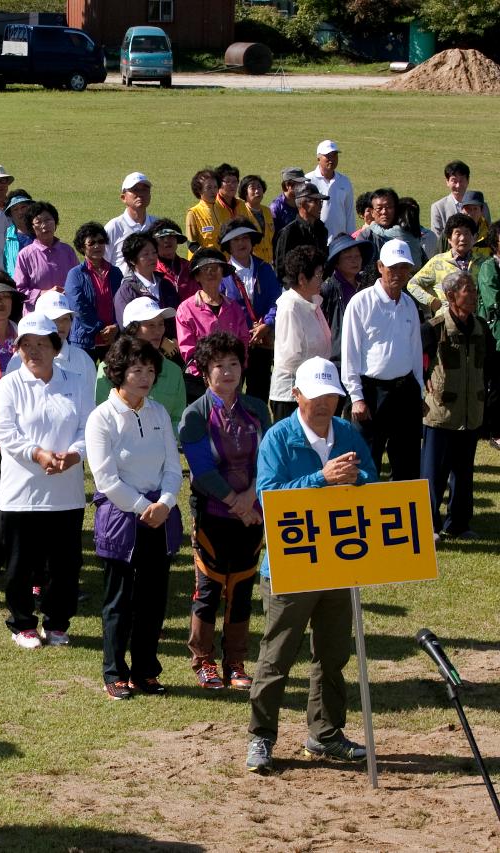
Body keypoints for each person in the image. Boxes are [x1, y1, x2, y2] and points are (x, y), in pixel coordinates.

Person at [246, 357, 376, 773]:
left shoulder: (349, 433)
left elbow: (372, 483)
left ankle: (326, 734)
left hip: (339, 562)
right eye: (315, 397)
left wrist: (358, 481)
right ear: (296, 395)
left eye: (330, 397)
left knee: (333, 655)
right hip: (291, 565)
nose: (323, 405)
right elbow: (269, 498)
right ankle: (261, 738)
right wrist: (320, 478)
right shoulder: (277, 439)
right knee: (277, 656)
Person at [86, 334, 183, 700]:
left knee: (154, 600)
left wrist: (167, 503)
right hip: (123, 518)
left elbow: (173, 467)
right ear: (118, 373)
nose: (144, 377)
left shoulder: (158, 413)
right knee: (119, 601)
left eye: (150, 370)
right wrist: (145, 507)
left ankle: (145, 671)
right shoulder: (102, 418)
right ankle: (114, 673)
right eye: (136, 370)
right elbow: (106, 478)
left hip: (161, 515)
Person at [0, 312, 92, 649]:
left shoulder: (76, 382)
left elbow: (88, 429)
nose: (34, 351)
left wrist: (74, 455)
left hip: (66, 491)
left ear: (55, 346)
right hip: (22, 492)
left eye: (42, 344)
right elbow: (5, 433)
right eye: (27, 345)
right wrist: (38, 454)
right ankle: (22, 623)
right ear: (18, 349)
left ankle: (58, 622)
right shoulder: (9, 385)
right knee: (20, 563)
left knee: (64, 564)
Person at [178, 331, 270, 690]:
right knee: (208, 591)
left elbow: (268, 458)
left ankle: (236, 662)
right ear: (205, 372)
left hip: (253, 514)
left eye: (234, 364)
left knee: (243, 589)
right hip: (213, 516)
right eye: (219, 365)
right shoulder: (195, 415)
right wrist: (238, 502)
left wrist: (252, 500)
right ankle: (203, 660)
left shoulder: (257, 409)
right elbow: (202, 471)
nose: (228, 372)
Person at [340, 240, 425, 481]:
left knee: (408, 462)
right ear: (379, 266)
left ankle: (404, 516)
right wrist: (356, 397)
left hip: (404, 390)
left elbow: (415, 351)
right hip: (371, 392)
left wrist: (418, 392)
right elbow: (350, 353)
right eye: (392, 267)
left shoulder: (409, 304)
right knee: (367, 461)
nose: (398, 273)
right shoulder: (360, 302)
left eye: (403, 268)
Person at [422, 271, 493, 539]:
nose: (474, 295)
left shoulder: (481, 327)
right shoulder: (434, 328)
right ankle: (430, 524)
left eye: (474, 289)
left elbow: (489, 365)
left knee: (464, 473)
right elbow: (419, 364)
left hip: (470, 412)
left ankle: (459, 523)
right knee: (434, 473)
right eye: (468, 290)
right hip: (440, 412)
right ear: (451, 296)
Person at [96, 296, 185, 432]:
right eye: (150, 325)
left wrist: (160, 439)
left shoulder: (174, 371)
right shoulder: (108, 368)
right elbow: (103, 419)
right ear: (133, 329)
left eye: (161, 324)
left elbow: (178, 419)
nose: (158, 331)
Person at [175, 248, 248, 402]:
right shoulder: (185, 309)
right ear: (197, 276)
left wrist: (237, 367)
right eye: (205, 269)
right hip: (200, 381)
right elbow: (187, 348)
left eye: (216, 268)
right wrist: (206, 373)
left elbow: (243, 341)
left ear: (222, 273)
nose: (211, 272)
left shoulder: (233, 307)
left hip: (232, 377)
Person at [220, 218, 281, 403]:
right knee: (230, 394)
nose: (242, 243)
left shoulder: (265, 269)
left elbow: (276, 301)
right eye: (235, 240)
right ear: (228, 245)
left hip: (261, 343)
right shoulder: (221, 273)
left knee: (259, 396)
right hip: (233, 346)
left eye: (245, 238)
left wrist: (267, 324)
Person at [270, 246, 331, 421]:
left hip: (313, 388)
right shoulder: (290, 306)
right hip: (292, 395)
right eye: (318, 274)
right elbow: (291, 357)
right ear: (302, 279)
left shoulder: (312, 301)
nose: (322, 279)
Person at [407, 213, 489, 314]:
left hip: (476, 322)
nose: (463, 238)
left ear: (474, 237)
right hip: (445, 322)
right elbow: (412, 284)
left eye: (467, 233)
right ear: (449, 239)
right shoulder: (438, 262)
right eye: (458, 234)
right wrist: (431, 301)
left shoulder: (484, 262)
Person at [66, 221, 121, 357]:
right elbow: (78, 306)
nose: (97, 246)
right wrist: (100, 329)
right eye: (91, 243)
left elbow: (122, 303)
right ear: (82, 247)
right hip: (84, 342)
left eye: (101, 241)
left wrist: (116, 327)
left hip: (112, 340)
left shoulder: (116, 272)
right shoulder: (75, 274)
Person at [319, 234, 373, 373]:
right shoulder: (327, 288)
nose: (355, 261)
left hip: (364, 355)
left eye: (357, 256)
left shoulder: (366, 285)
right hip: (339, 360)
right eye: (348, 257)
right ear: (336, 262)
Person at [13, 202, 78, 313]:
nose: (44, 225)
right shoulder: (25, 255)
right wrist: (45, 293)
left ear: (55, 223)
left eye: (48, 220)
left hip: (65, 314)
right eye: (38, 222)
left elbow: (78, 282)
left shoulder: (67, 251)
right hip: (37, 317)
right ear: (32, 227)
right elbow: (19, 290)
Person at [113, 232, 178, 329]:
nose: (152, 257)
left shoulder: (166, 284)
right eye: (146, 254)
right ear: (132, 260)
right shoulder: (126, 291)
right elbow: (127, 329)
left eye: (154, 252)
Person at [273, 182, 329, 284]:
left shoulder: (321, 229)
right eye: (316, 202)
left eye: (321, 202)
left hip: (318, 288)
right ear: (303, 204)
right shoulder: (289, 233)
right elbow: (281, 270)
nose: (320, 206)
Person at [106, 172, 157, 274]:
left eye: (145, 189)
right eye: (135, 190)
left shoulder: (157, 225)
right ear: (123, 198)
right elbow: (102, 263)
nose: (141, 194)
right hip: (122, 288)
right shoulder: (114, 227)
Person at [431, 160, 492, 241]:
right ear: (447, 182)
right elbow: (437, 238)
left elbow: (489, 233)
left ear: (468, 180)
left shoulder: (481, 205)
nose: (458, 185)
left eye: (461, 180)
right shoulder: (438, 207)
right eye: (454, 181)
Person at [306, 139, 356, 238]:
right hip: (315, 239)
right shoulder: (308, 180)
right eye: (328, 156)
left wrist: (351, 238)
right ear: (318, 158)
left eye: (334, 155)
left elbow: (349, 213)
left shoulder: (345, 181)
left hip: (340, 241)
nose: (332, 159)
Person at [151, 219, 197, 301]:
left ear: (177, 240)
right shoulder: (151, 270)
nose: (167, 241)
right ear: (154, 243)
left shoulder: (191, 267)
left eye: (171, 236)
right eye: (162, 238)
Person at [239, 174, 276, 265]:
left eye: (259, 187)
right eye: (252, 188)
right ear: (245, 192)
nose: (257, 191)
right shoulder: (241, 213)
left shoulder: (267, 211)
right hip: (250, 263)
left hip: (268, 262)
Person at [184, 169, 225, 251]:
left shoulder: (222, 209)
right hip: (203, 261)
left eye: (215, 187)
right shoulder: (193, 213)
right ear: (199, 190)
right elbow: (191, 243)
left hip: (223, 261)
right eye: (209, 188)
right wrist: (206, 258)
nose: (213, 191)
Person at [270, 168, 309, 241]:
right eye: (299, 184)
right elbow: (274, 236)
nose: (303, 187)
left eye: (303, 183)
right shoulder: (275, 208)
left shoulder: (305, 201)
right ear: (288, 185)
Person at [1, 191, 34, 277]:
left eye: (23, 207)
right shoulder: (4, 236)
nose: (20, 212)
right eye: (15, 209)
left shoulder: (42, 233)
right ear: (10, 214)